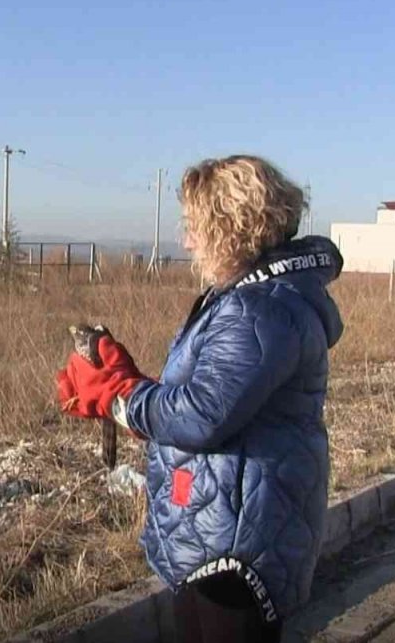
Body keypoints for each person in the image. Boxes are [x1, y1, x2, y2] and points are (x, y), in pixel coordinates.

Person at [56, 155, 343, 642]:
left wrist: (119, 397)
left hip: (237, 539)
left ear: (233, 229)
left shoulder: (260, 310)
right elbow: (208, 399)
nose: (188, 240)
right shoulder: (254, 299)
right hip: (224, 518)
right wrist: (126, 385)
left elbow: (201, 414)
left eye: (196, 227)